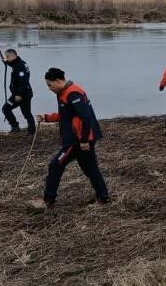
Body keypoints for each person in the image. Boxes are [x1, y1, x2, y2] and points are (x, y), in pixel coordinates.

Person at [31, 68, 109, 208]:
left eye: (50, 85)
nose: (49, 88)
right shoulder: (64, 92)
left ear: (58, 81)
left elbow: (85, 118)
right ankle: (103, 198)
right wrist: (47, 117)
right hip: (78, 139)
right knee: (90, 169)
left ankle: (48, 200)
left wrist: (84, 140)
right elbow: (67, 114)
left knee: (55, 165)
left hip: (78, 140)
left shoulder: (73, 93)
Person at [1, 48, 35, 134]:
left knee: (24, 113)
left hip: (23, 94)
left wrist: (19, 94)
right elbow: (13, 65)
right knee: (7, 109)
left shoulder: (20, 66)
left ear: (13, 55)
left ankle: (31, 130)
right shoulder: (17, 63)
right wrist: (7, 62)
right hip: (20, 93)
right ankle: (15, 126)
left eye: (7, 57)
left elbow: (23, 81)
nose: (6, 58)